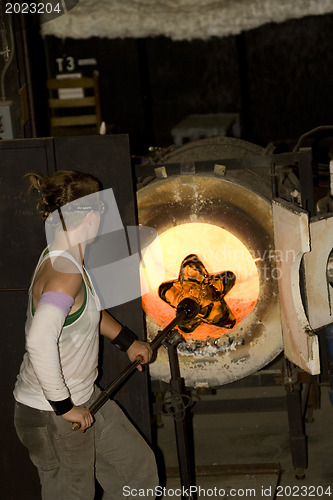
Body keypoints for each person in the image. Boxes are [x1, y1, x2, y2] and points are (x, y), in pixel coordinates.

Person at [13, 170, 159, 499]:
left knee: (136, 473)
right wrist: (64, 408)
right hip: (54, 414)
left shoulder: (65, 259)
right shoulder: (65, 274)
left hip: (82, 396)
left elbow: (86, 313)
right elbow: (39, 340)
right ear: (91, 215)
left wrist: (128, 341)